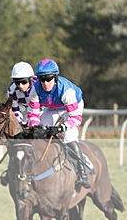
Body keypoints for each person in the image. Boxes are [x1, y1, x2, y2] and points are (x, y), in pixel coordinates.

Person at [28, 58, 91, 189]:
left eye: (48, 79)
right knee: (39, 133)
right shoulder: (35, 89)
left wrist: (60, 128)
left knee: (69, 136)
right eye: (42, 79)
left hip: (71, 108)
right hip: (52, 107)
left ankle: (82, 173)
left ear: (55, 77)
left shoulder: (66, 91)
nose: (45, 83)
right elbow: (33, 114)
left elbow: (75, 118)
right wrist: (35, 127)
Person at [0, 61, 35, 186]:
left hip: (42, 109)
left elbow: (41, 107)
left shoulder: (38, 86)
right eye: (17, 82)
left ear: (31, 79)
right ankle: (10, 168)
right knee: (16, 139)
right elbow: (15, 109)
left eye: (23, 82)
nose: (20, 85)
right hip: (24, 110)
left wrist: (32, 123)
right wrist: (22, 124)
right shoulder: (12, 89)